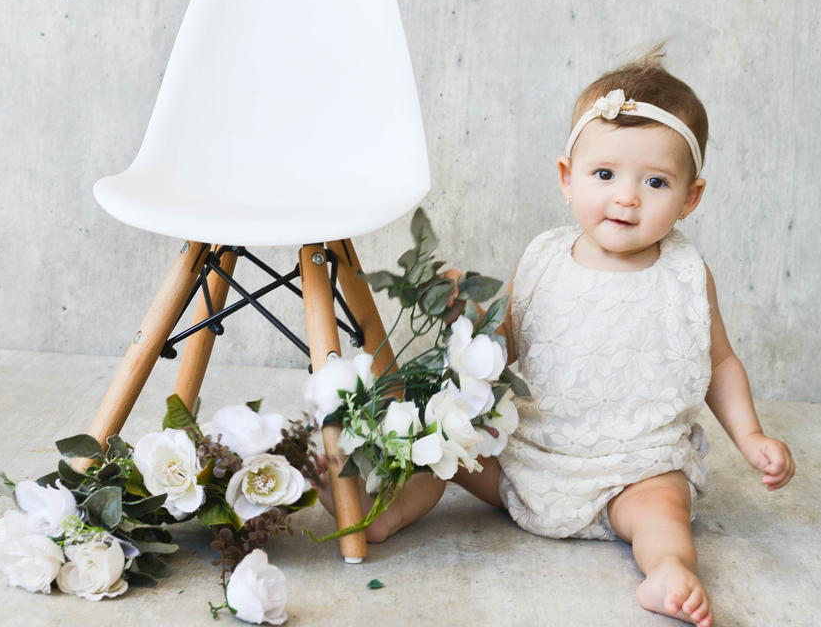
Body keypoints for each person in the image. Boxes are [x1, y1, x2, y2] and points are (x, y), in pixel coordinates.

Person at [318, 43, 795, 627]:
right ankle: (381, 513)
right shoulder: (544, 258)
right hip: (528, 456)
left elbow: (718, 363)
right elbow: (505, 346)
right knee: (446, 448)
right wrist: (465, 313)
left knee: (663, 510)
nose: (626, 196)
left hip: (635, 468)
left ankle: (668, 569)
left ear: (690, 198)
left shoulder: (686, 274)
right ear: (568, 178)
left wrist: (751, 437)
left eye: (655, 181)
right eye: (605, 174)